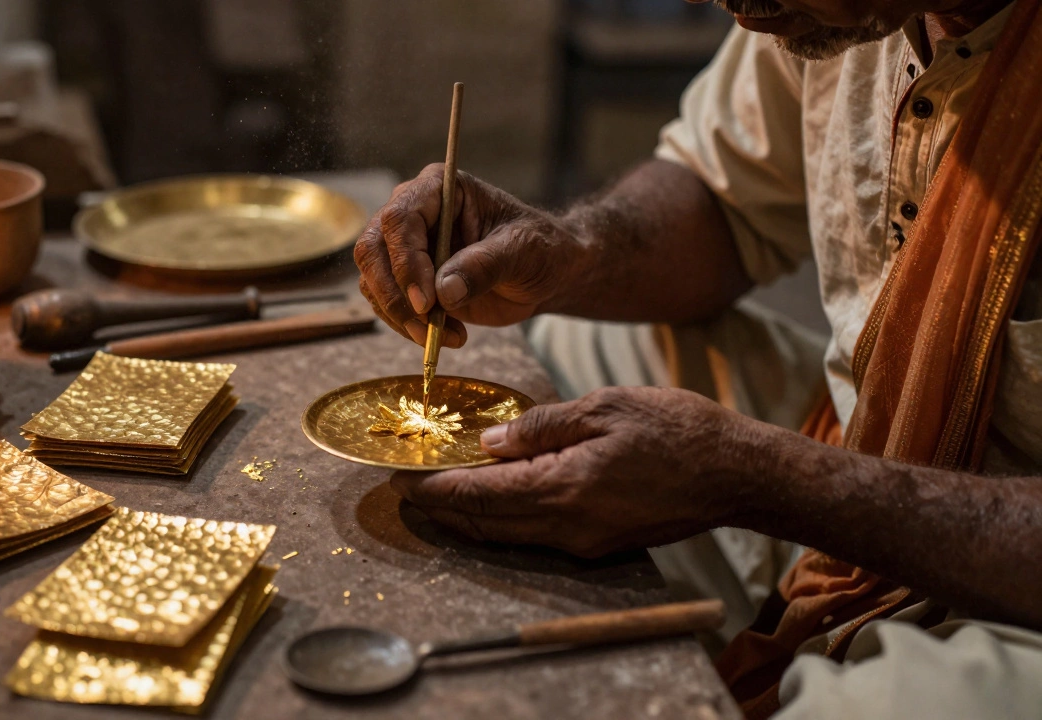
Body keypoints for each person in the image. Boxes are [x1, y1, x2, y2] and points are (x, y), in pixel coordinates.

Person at [353, 0, 1042, 716]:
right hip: (869, 437)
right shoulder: (832, 12)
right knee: (575, 346)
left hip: (1011, 584)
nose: (742, 14)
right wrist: (570, 252)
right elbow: (723, 200)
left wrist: (764, 481)